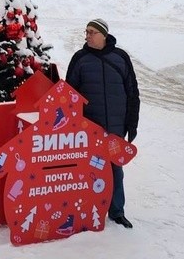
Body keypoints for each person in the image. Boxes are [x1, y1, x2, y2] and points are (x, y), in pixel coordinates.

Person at [65, 18, 139, 228]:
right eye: (86, 32)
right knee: (88, 170)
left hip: (116, 127)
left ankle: (117, 212)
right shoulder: (80, 59)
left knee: (115, 168)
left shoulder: (120, 58)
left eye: (91, 32)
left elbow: (133, 92)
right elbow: (70, 95)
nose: (87, 36)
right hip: (89, 129)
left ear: (103, 35)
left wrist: (132, 123)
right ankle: (87, 210)